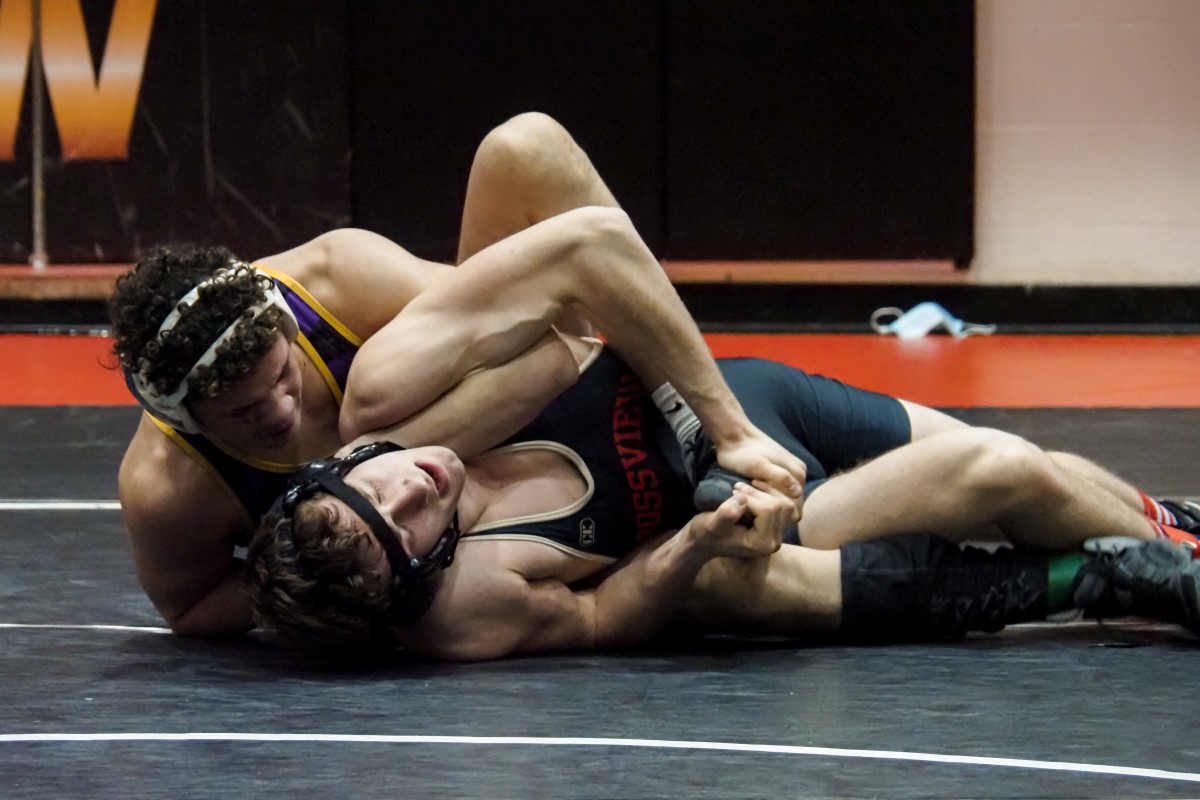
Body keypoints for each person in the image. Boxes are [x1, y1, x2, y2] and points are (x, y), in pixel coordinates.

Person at [108, 112, 806, 637]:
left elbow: (552, 342)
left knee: (525, 148)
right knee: (365, 437)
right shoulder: (167, 490)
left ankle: (695, 418)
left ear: (287, 329)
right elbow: (191, 607)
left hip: (519, 418)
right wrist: (344, 586)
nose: (281, 411)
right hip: (441, 538)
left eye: (283, 376)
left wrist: (365, 456)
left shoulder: (338, 278)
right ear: (185, 419)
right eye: (244, 414)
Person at [245, 339, 1200, 661]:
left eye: (373, 485)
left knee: (1039, 470)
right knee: (1000, 471)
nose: (411, 487)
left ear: (341, 462)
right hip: (754, 504)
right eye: (405, 527)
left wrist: (707, 410)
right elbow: (607, 617)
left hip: (741, 404)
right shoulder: (470, 601)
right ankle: (1169, 565)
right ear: (421, 576)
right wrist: (698, 540)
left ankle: (1173, 537)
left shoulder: (391, 392)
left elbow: (587, 259)